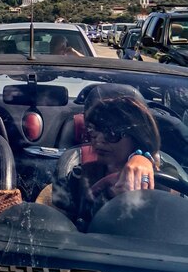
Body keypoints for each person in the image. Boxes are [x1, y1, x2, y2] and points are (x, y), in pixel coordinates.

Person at [52, 95, 177, 231]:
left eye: (111, 133)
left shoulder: (165, 178)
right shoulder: (80, 176)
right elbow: (59, 230)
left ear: (138, 137)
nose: (98, 140)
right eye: (93, 132)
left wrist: (145, 162)